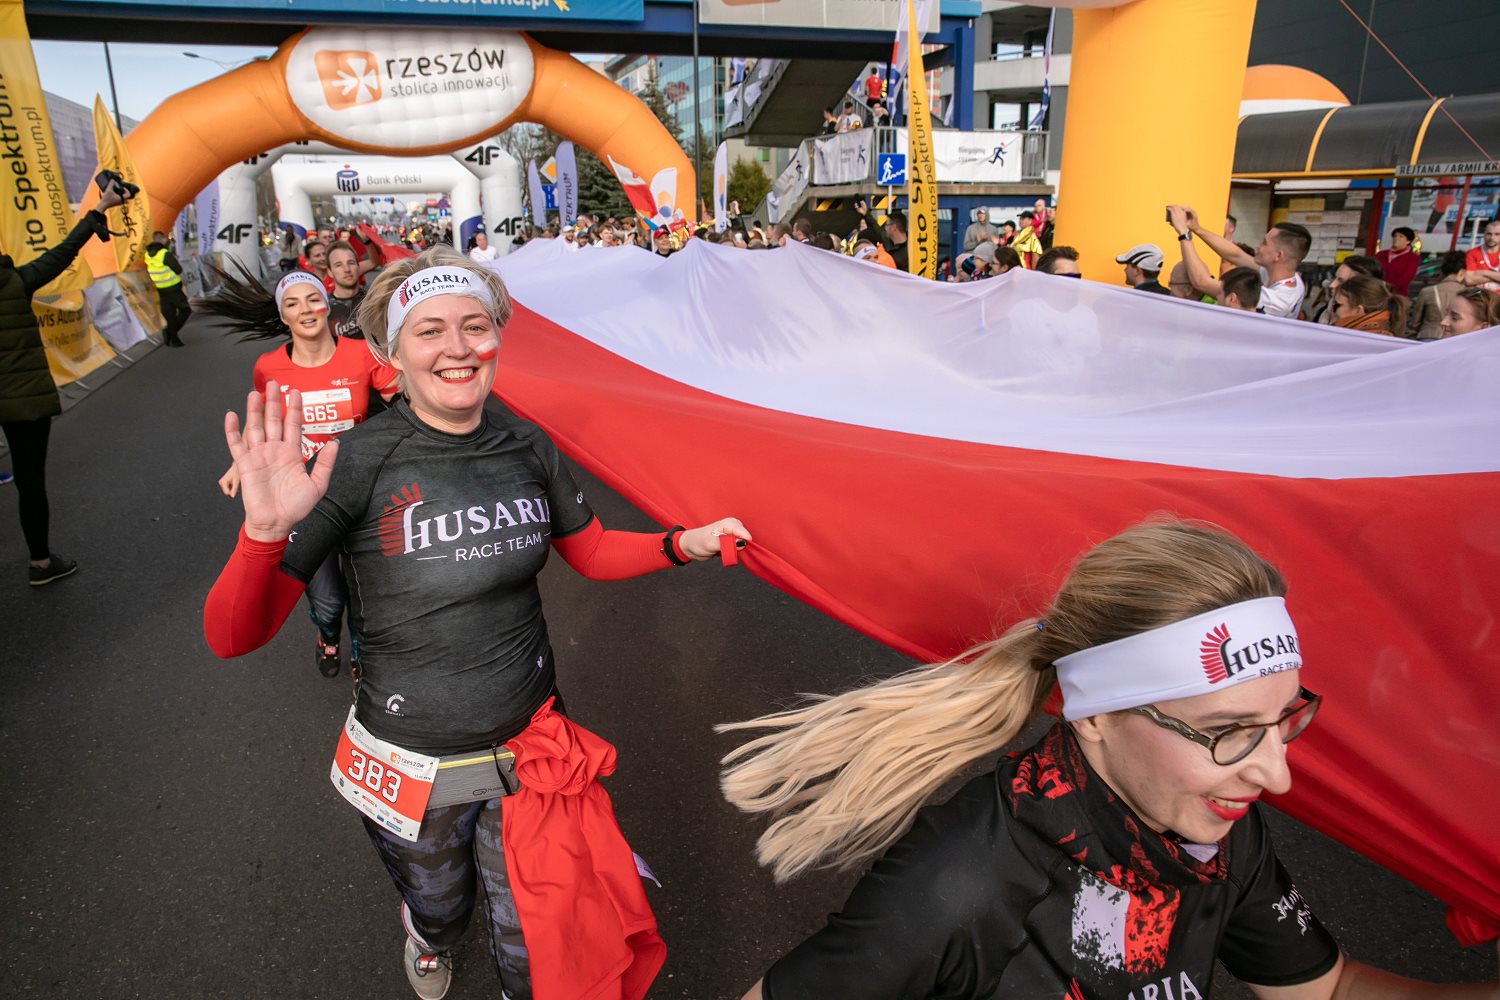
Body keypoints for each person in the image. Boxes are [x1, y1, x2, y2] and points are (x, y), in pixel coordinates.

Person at [203, 246, 750, 1000]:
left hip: (531, 748)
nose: (457, 348)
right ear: (392, 353)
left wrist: (681, 544)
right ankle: (426, 934)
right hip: (411, 764)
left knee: (535, 949)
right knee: (443, 908)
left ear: (496, 338)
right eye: (430, 331)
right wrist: (262, 534)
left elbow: (589, 550)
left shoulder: (525, 443)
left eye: (475, 326)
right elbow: (233, 637)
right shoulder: (355, 460)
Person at [721, 520, 1500, 1000]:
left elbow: (1326, 990)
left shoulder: (1211, 824)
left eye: (1282, 721)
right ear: (1096, 715)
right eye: (1228, 731)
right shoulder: (963, 882)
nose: (1276, 775)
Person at [202, 262, 398, 678]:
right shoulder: (268, 366)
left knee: (368, 596)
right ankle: (327, 634)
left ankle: (362, 654)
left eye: (312, 299)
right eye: (292, 304)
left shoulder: (362, 354)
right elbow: (266, 422)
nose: (305, 309)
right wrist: (239, 462)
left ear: (326, 304)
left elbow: (409, 401)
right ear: (283, 316)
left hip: (359, 492)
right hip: (304, 500)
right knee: (329, 601)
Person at [0, 180, 130, 585]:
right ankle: (40, 563)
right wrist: (99, 209)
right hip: (25, 401)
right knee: (30, 484)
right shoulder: (14, 282)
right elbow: (62, 253)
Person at [1170, 205, 1310, 318]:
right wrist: (1196, 228)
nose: (1258, 246)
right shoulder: (1287, 276)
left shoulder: (1276, 300)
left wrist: (1183, 233)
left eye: (1264, 243)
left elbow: (1202, 282)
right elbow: (1236, 255)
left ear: (1278, 256)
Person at [145, 229, 192, 348]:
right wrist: (173, 258)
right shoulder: (164, 254)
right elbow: (178, 269)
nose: (167, 240)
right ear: (161, 239)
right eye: (165, 238)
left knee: (170, 315)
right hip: (173, 287)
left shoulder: (148, 254)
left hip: (161, 289)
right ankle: (170, 333)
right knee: (185, 310)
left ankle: (174, 340)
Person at [1409, 252, 1468, 340]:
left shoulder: (1427, 291)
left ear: (1442, 272)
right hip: (1456, 339)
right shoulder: (1469, 294)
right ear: (1462, 272)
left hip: (1428, 336)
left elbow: (1415, 322)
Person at [1327, 273, 1408, 336]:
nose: (1333, 309)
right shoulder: (1381, 336)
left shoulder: (1360, 341)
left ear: (1358, 310)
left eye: (1337, 305)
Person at [1315, 255, 1383, 325]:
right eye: (1335, 277)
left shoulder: (1373, 326)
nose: (1332, 285)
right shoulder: (1325, 311)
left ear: (1363, 288)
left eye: (1341, 281)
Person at [325, 241, 368, 341]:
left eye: (351, 263)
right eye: (338, 265)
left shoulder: (375, 297)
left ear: (358, 266)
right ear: (330, 272)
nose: (347, 269)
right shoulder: (325, 310)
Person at [1376, 227, 1420, 297]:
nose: (1396, 238)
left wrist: (1388, 287)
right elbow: (1372, 271)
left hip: (1397, 296)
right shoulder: (1381, 254)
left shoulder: (1412, 258)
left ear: (1408, 241)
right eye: (1395, 236)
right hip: (1377, 293)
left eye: (1401, 236)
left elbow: (1406, 278)